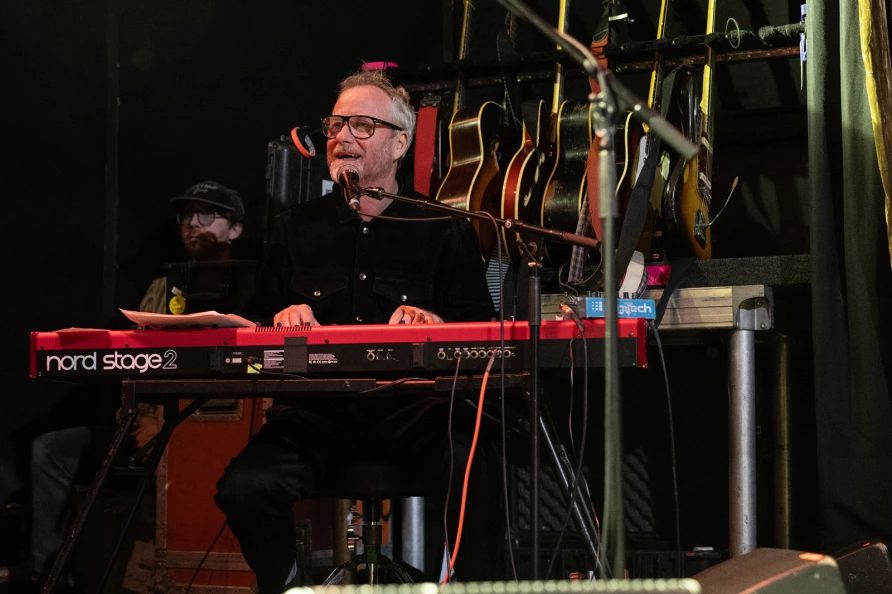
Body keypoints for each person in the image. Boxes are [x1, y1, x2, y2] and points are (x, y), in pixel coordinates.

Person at [214, 70, 499, 593]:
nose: (342, 136)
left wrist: (437, 325)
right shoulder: (292, 229)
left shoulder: (444, 228)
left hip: (417, 418)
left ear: (400, 144)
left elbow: (482, 335)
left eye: (362, 125)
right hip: (315, 419)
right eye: (336, 124)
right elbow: (250, 328)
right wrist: (277, 320)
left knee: (481, 469)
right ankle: (292, 585)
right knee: (245, 487)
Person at [30, 182, 245, 588]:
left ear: (235, 230)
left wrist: (167, 425)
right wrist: (140, 416)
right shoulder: (163, 287)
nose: (192, 225)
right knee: (49, 449)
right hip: (143, 423)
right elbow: (141, 362)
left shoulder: (250, 288)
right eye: (186, 216)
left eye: (206, 215)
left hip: (204, 430)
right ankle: (50, 579)